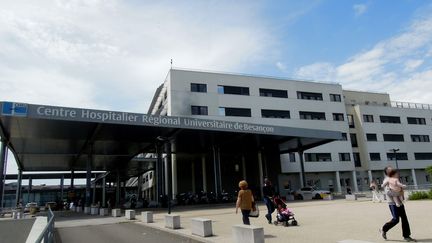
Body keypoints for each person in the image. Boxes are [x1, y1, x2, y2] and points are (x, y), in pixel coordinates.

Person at [380, 166, 416, 242]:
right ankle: (383, 229)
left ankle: (406, 236)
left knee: (404, 219)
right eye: (390, 170)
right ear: (387, 172)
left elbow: (400, 188)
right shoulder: (387, 180)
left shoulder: (395, 178)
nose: (393, 170)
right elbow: (388, 192)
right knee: (396, 219)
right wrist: (399, 192)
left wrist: (401, 191)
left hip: (399, 202)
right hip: (392, 203)